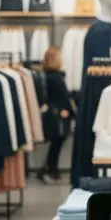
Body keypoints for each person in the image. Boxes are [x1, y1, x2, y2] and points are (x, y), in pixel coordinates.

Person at [36, 46, 75, 183]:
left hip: (52, 114)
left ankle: (50, 169)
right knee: (56, 144)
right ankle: (50, 170)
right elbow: (63, 97)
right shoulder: (56, 77)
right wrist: (71, 111)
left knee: (55, 144)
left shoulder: (46, 75)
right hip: (59, 115)